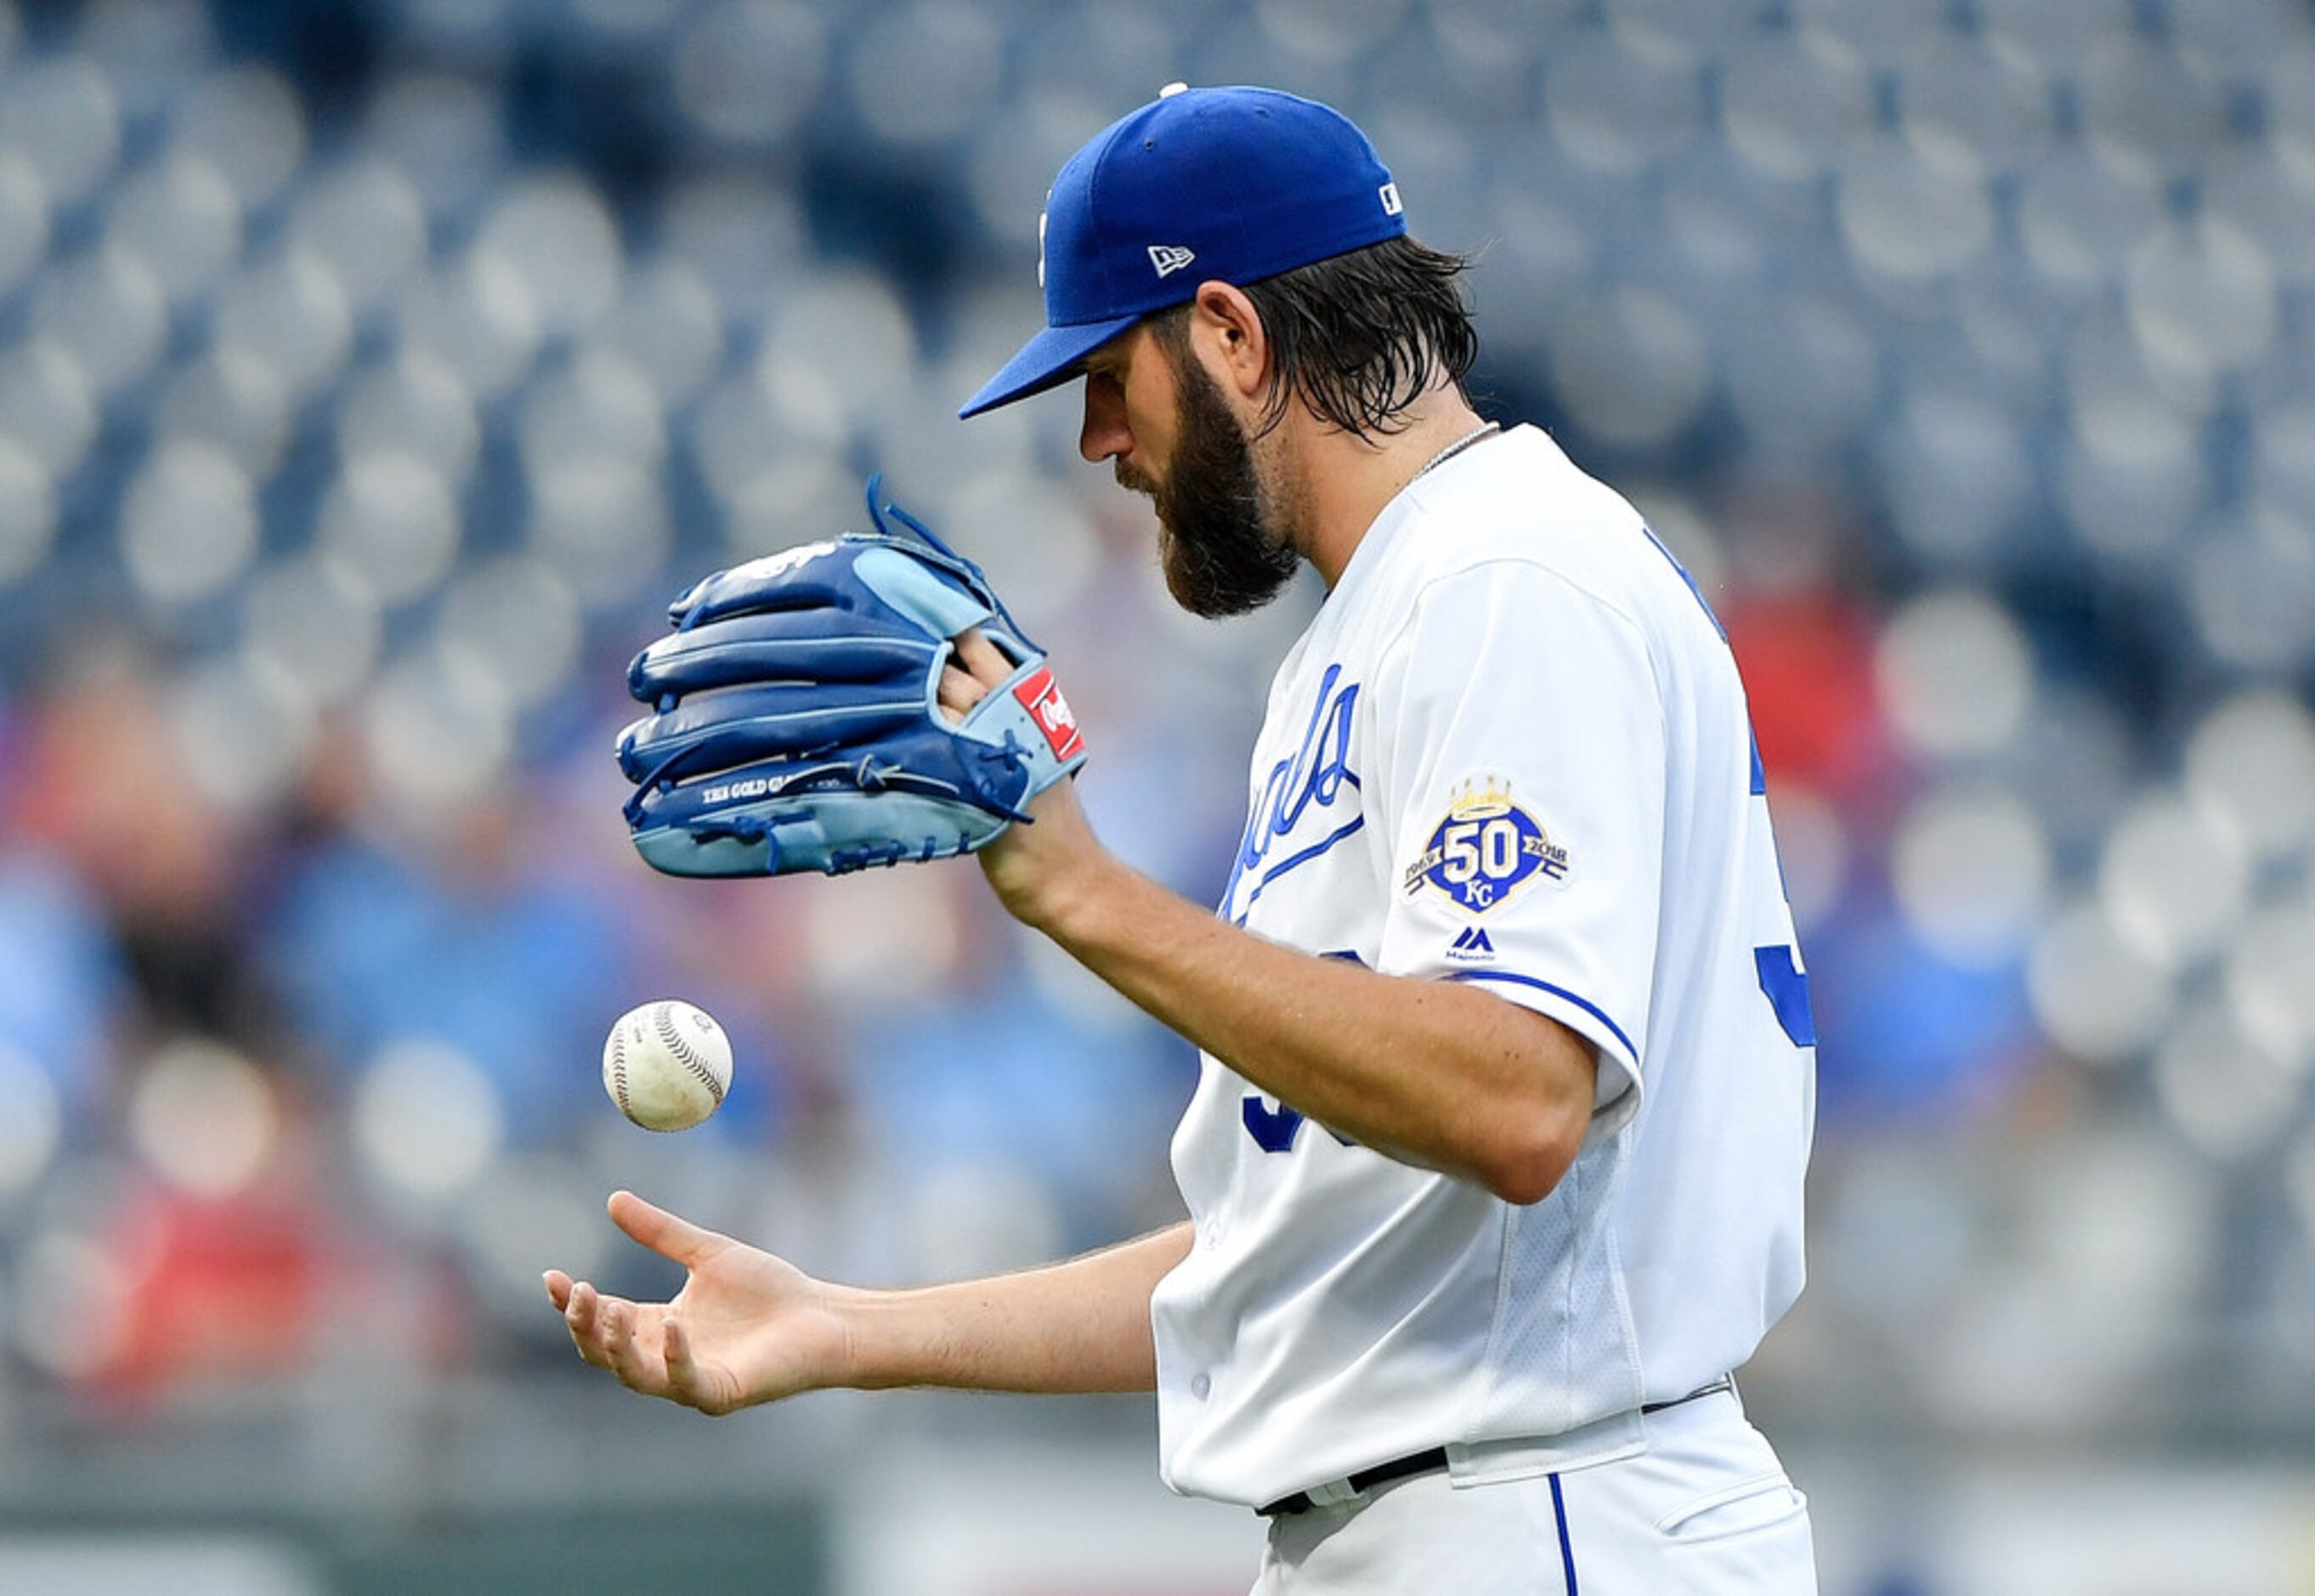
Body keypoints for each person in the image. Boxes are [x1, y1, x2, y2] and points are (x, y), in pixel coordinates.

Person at [546, 83, 1820, 1593]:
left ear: (1229, 332)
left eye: (1106, 373)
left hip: (1546, 1515)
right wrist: (847, 1327)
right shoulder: (1389, 624)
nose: (1095, 438)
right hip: (1464, 1516)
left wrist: (1085, 894)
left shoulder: (1509, 581)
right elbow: (1286, 1253)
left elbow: (1520, 1097)